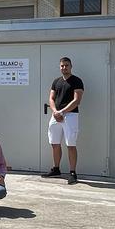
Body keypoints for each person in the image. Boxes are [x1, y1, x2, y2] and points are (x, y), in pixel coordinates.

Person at [42, 56, 84, 184]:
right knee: (54, 143)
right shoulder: (56, 81)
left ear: (71, 66)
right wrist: (55, 111)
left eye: (66, 65)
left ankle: (72, 172)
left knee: (71, 144)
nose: (64, 68)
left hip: (70, 115)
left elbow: (77, 100)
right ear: (59, 67)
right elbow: (51, 98)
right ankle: (56, 169)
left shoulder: (77, 81)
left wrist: (62, 112)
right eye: (62, 66)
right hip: (55, 116)